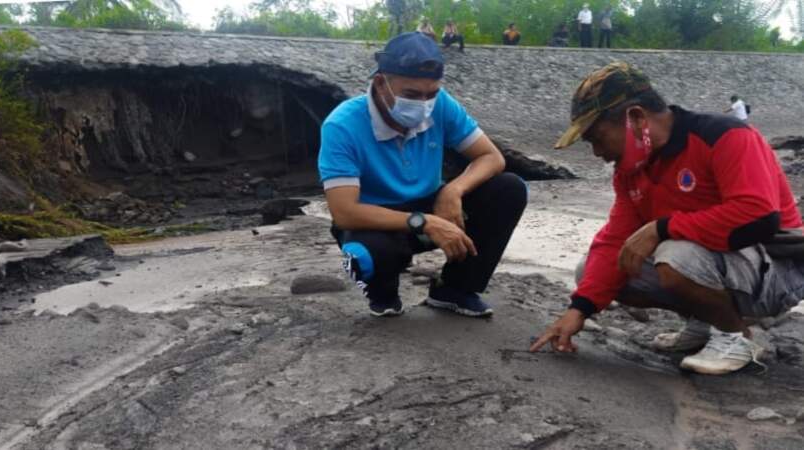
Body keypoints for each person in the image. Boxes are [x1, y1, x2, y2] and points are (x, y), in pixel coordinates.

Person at [531, 62, 804, 375]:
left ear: (635, 118)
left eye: (598, 138)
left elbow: (759, 216)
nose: (596, 152)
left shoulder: (724, 135)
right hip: (723, 263)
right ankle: (704, 323)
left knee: (674, 255)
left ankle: (735, 336)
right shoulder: (631, 171)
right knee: (602, 266)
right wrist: (579, 309)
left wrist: (661, 228)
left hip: (779, 266)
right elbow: (616, 239)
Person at [318, 32, 527, 318]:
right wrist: (424, 222)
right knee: (363, 256)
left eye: (431, 94)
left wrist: (454, 191)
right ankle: (382, 290)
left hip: (431, 202)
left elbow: (491, 157)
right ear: (381, 83)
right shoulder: (342, 125)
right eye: (412, 95)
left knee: (509, 189)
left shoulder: (440, 105)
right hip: (376, 220)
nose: (424, 104)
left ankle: (456, 289)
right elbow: (344, 212)